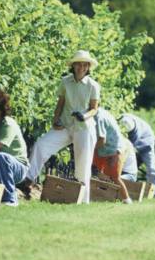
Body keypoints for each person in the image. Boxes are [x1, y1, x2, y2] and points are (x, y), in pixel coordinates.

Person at [23, 50, 100, 203]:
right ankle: (27, 181)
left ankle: (82, 201)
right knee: (41, 145)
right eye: (79, 64)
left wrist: (83, 116)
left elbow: (94, 108)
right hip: (65, 125)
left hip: (84, 128)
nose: (82, 67)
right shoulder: (65, 81)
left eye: (85, 65)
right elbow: (60, 103)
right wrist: (55, 120)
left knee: (82, 165)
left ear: (88, 67)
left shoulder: (93, 85)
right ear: (73, 66)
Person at [0, 90, 29, 207]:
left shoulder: (8, 124)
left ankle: (10, 199)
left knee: (1, 156)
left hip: (18, 167)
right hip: (0, 166)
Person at [92, 108, 132, 204]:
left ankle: (127, 200)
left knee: (115, 177)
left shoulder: (99, 117)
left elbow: (102, 140)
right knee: (97, 173)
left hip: (113, 149)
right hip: (105, 149)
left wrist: (90, 148)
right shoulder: (101, 112)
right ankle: (99, 197)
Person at [118, 113, 155, 198]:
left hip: (147, 142)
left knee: (151, 168)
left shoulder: (135, 131)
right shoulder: (122, 120)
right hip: (134, 144)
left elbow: (129, 148)